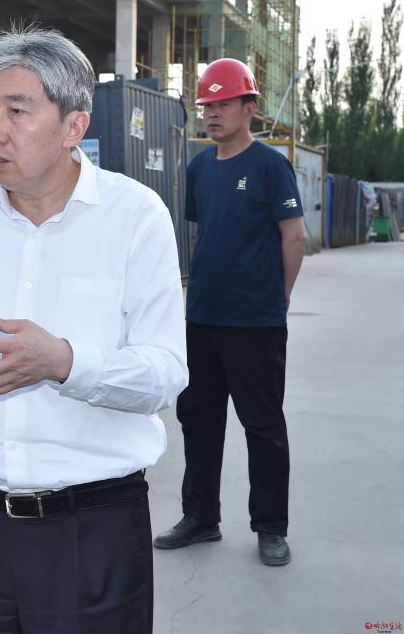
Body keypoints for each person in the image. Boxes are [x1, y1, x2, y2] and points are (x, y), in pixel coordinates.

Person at [0, 27, 188, 633]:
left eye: (16, 112)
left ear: (74, 126)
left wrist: (65, 362)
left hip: (92, 525)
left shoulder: (134, 217)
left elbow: (165, 374)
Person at [153, 58, 307, 567]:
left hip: (255, 323)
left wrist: (279, 298)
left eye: (223, 104)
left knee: (262, 426)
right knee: (199, 421)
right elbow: (206, 233)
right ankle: (201, 517)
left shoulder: (270, 166)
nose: (212, 114)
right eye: (207, 106)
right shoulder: (200, 168)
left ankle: (271, 527)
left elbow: (294, 237)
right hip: (203, 320)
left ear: (249, 107)